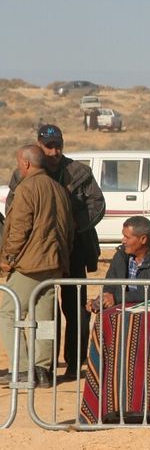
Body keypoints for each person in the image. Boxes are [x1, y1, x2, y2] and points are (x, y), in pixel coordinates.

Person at [6, 124, 105, 380]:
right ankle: (45, 366)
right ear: (39, 146)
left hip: (74, 248)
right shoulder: (22, 174)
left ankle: (74, 362)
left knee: (75, 309)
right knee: (46, 311)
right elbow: (14, 210)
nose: (54, 151)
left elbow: (97, 204)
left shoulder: (79, 172)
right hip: (38, 253)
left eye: (58, 146)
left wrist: (73, 224)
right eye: (49, 147)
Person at [0, 145, 74, 388]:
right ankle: (43, 369)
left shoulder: (27, 188)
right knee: (45, 319)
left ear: (26, 163)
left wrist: (8, 257)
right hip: (55, 263)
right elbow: (69, 229)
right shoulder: (59, 189)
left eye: (19, 163)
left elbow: (20, 228)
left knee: (8, 312)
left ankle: (21, 368)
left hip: (29, 264)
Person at [92, 216, 150, 311]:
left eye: (127, 237)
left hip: (149, 313)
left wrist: (117, 298)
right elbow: (110, 285)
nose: (123, 240)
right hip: (121, 312)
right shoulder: (120, 255)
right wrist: (100, 301)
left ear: (143, 239)